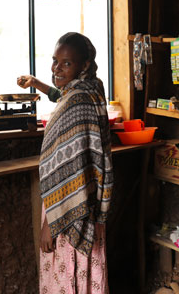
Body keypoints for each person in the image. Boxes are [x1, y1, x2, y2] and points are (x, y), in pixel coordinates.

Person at [17, 32, 113, 294]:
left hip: (68, 208)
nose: (56, 68)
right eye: (54, 60)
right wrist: (36, 82)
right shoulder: (91, 88)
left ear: (83, 65)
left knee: (69, 274)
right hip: (87, 203)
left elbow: (72, 171)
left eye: (66, 63)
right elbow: (60, 93)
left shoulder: (77, 102)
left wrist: (51, 224)